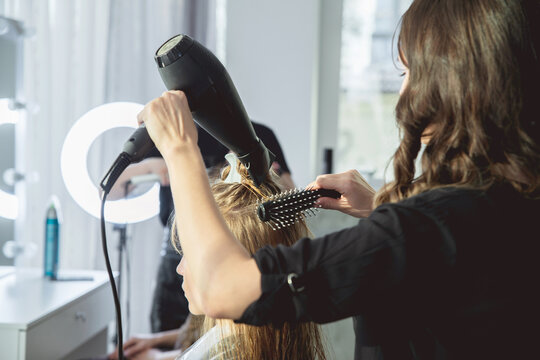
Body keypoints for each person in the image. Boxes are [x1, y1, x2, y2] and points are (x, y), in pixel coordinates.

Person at [136, 0, 540, 358]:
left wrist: (179, 150)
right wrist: (382, 209)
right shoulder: (511, 202)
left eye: (407, 73)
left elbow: (220, 287)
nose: (402, 96)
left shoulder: (427, 227)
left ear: (452, 83)